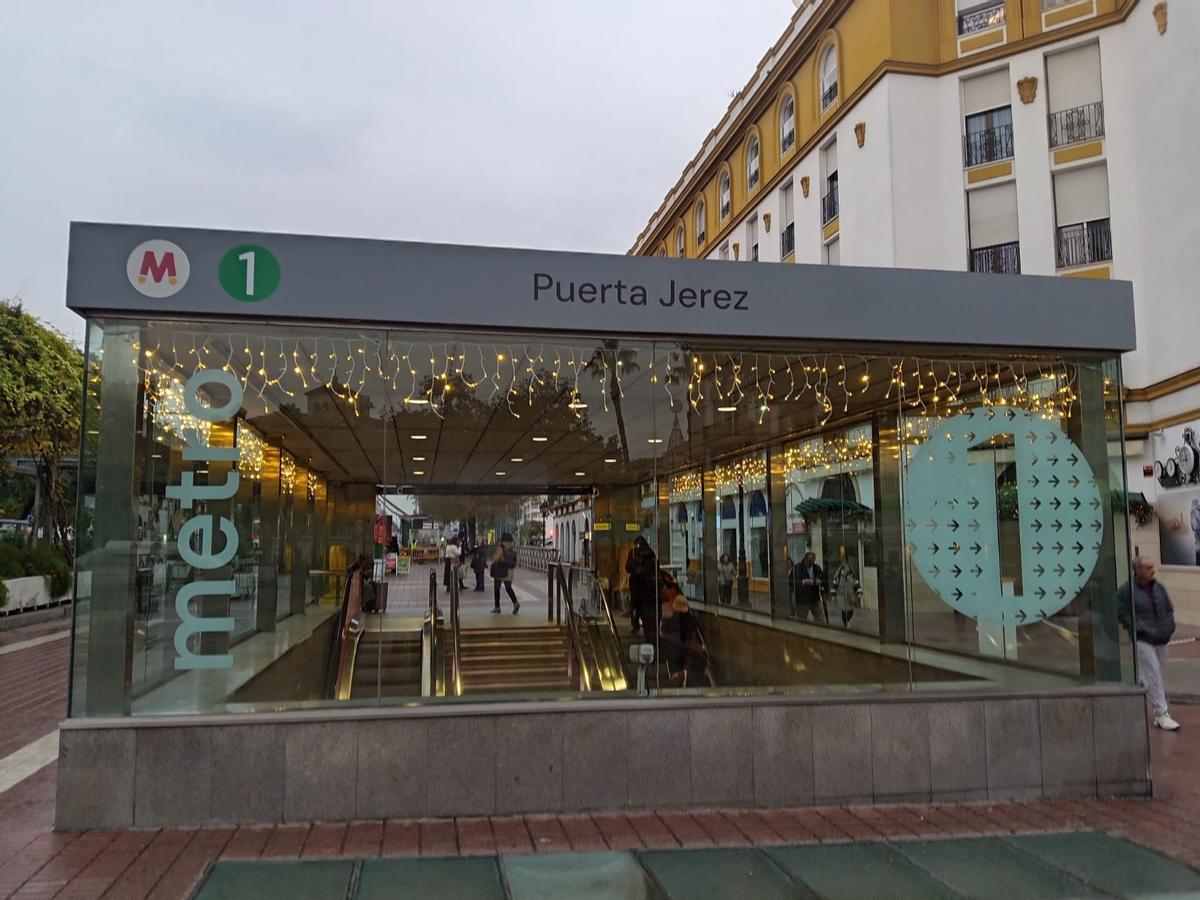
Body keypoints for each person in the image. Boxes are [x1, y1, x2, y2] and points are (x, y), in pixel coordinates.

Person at [1117, 557, 1180, 731]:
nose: (1152, 570)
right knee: (1153, 674)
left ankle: (1144, 690)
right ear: (1138, 571)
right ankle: (1161, 713)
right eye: (1148, 567)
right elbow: (1122, 613)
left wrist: (1169, 626)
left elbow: (1168, 608)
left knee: (1156, 673)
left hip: (1161, 637)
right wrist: (1137, 628)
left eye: (1152, 567)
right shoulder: (1126, 591)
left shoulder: (1158, 588)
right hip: (1143, 638)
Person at [626, 536, 657, 637]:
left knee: (638, 606)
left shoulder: (637, 554)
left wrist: (637, 569)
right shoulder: (647, 554)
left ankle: (638, 625)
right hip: (642, 585)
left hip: (641, 585)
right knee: (640, 606)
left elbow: (628, 567)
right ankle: (640, 625)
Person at [831, 548, 863, 628]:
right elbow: (834, 585)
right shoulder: (838, 575)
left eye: (847, 565)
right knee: (844, 610)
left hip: (850, 595)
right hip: (841, 595)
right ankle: (845, 623)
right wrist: (833, 595)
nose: (846, 567)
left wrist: (859, 593)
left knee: (851, 610)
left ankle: (847, 620)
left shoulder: (852, 575)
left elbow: (857, 584)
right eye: (845, 566)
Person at [489, 532, 520, 614]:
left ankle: (497, 607)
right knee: (508, 588)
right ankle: (515, 602)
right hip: (509, 571)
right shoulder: (511, 549)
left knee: (496, 588)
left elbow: (496, 558)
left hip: (500, 570)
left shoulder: (501, 548)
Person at [794, 551, 827, 623]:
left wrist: (820, 581)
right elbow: (792, 582)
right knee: (801, 620)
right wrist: (803, 582)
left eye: (813, 560)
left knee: (820, 619)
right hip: (802, 599)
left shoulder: (816, 568)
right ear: (805, 559)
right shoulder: (797, 568)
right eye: (810, 560)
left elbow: (823, 579)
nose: (811, 562)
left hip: (814, 598)